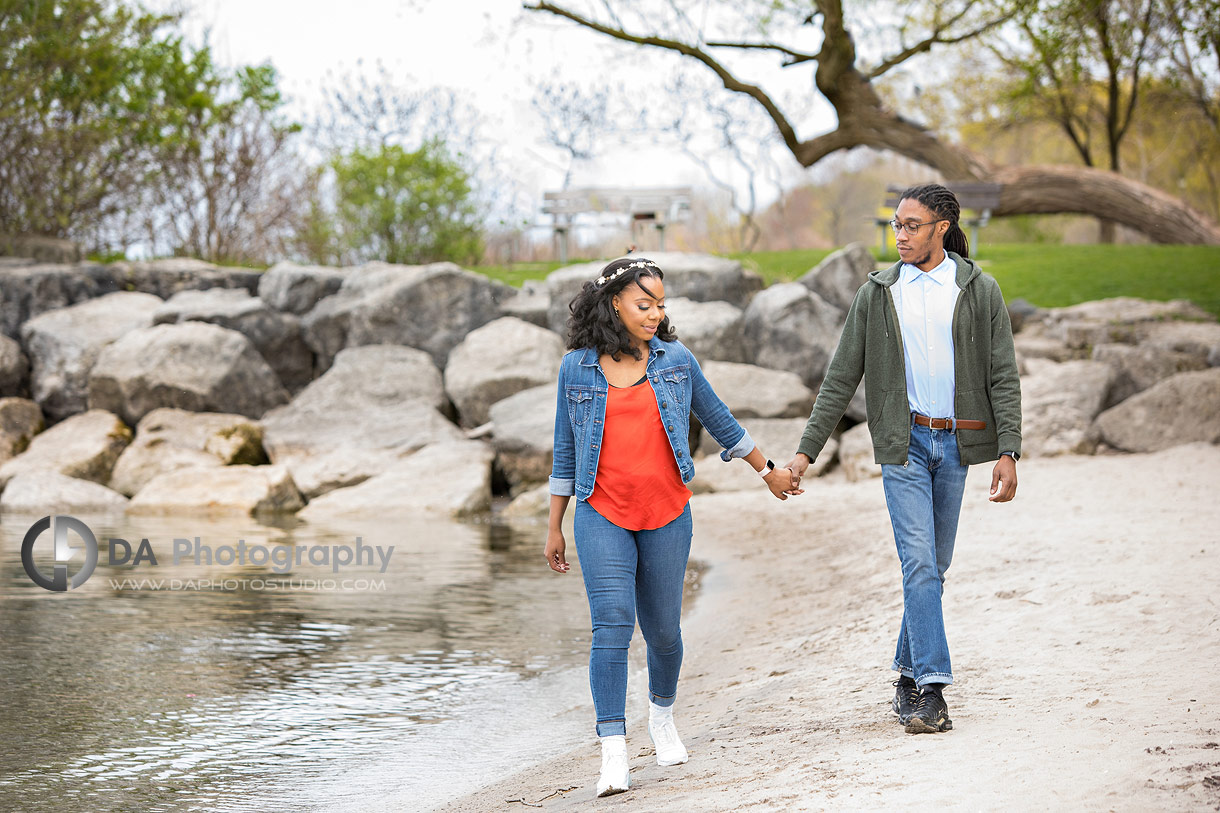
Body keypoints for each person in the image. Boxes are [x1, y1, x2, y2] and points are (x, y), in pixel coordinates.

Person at [546, 256, 797, 796]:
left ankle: (661, 717)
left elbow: (718, 418)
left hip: (666, 513)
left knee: (663, 632)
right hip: (600, 511)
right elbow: (565, 451)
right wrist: (554, 525)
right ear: (614, 303)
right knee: (611, 625)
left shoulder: (676, 361)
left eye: (661, 303)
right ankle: (613, 750)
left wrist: (769, 472)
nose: (656, 313)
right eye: (645, 304)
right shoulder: (577, 368)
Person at [785, 183, 1022, 735]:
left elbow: (1002, 375)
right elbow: (842, 377)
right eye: (896, 225)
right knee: (919, 565)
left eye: (912, 225)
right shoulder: (878, 293)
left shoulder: (979, 290)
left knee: (933, 570)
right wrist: (804, 455)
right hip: (904, 445)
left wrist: (1008, 450)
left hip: (959, 445)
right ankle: (933, 689)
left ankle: (905, 676)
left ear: (942, 227)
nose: (900, 235)